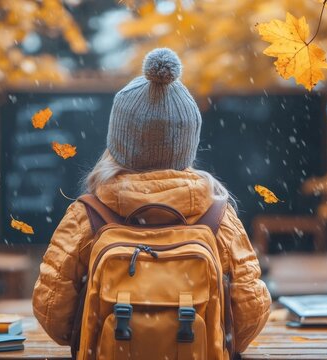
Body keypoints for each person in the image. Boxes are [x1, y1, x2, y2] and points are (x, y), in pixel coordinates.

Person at [33, 48, 271, 356]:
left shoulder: (89, 214)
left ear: (118, 141)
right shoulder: (217, 216)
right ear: (188, 144)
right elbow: (250, 314)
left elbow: (51, 309)